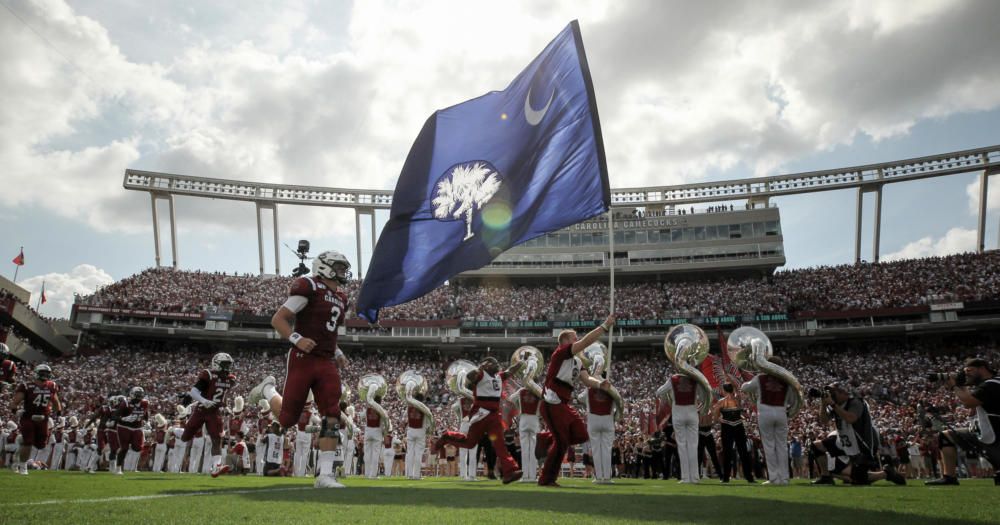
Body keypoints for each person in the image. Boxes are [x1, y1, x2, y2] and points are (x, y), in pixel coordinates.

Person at [248, 250, 351, 489]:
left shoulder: (342, 297)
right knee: (287, 418)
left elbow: (328, 331)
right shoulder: (309, 286)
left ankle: (325, 475)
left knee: (332, 414)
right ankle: (268, 391)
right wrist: (296, 338)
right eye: (338, 267)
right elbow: (279, 319)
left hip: (325, 360)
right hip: (303, 357)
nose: (343, 272)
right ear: (324, 267)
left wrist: (337, 353)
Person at [537, 314, 616, 487]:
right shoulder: (561, 353)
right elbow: (586, 342)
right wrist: (604, 326)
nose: (577, 340)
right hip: (552, 400)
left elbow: (587, 380)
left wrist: (600, 383)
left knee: (581, 433)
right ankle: (546, 479)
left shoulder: (578, 361)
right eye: (574, 338)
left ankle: (545, 438)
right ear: (565, 341)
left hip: (563, 403)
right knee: (561, 443)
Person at [435, 357, 524, 484]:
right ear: (487, 365)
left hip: (494, 415)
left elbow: (511, 371)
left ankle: (509, 472)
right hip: (481, 413)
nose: (497, 365)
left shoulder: (498, 376)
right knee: (470, 443)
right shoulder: (481, 374)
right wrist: (480, 367)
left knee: (500, 444)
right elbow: (469, 377)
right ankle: (447, 436)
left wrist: (522, 361)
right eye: (493, 363)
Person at [810, 382, 905, 486]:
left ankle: (886, 474)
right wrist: (823, 404)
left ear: (844, 393)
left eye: (833, 392)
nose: (830, 394)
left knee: (858, 480)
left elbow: (851, 418)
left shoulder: (856, 402)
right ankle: (825, 477)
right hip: (844, 440)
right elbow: (823, 420)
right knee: (817, 446)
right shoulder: (837, 404)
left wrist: (833, 404)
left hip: (862, 443)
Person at [926, 358, 1000, 485]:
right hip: (986, 431)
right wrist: (961, 385)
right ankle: (949, 477)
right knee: (946, 436)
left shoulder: (991, 384)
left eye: (969, 371)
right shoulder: (992, 382)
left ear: (982, 368)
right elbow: (970, 399)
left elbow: (968, 402)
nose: (966, 374)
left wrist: (954, 385)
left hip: (994, 434)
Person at [178, 352, 236, 478]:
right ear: (217, 364)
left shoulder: (230, 378)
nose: (227, 367)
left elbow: (222, 395)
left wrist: (226, 407)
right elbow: (193, 391)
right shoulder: (209, 374)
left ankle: (216, 466)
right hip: (201, 410)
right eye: (225, 364)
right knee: (186, 436)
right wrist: (204, 401)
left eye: (228, 365)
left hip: (214, 412)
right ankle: (179, 434)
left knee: (217, 439)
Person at [740, 357, 796, 485]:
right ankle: (784, 478)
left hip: (765, 412)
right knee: (782, 446)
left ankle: (774, 478)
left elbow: (745, 388)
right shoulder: (788, 380)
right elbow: (793, 401)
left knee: (769, 446)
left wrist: (745, 381)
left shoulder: (760, 378)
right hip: (781, 412)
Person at [10, 364, 61, 475]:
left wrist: (59, 413)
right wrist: (16, 411)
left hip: (43, 418)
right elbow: (15, 402)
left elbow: (56, 401)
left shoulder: (51, 385)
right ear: (37, 373)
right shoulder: (27, 386)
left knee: (41, 445)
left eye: (47, 373)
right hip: (29, 417)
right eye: (43, 373)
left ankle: (18, 454)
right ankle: (23, 467)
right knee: (28, 442)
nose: (45, 375)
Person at [656, 371, 705, 484]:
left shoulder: (673, 379)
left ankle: (685, 477)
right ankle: (695, 477)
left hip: (678, 413)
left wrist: (669, 397)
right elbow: (703, 397)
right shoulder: (695, 378)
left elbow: (658, 392)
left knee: (682, 446)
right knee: (693, 445)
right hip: (692, 413)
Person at [713, 384, 755, 483]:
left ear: (724, 390)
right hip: (738, 426)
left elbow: (715, 416)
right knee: (743, 452)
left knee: (727, 452)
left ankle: (726, 478)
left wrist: (720, 420)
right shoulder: (737, 399)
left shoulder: (721, 401)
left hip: (727, 426)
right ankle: (749, 477)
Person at [511, 380, 541, 482]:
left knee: (524, 449)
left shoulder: (521, 391)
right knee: (533, 450)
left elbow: (511, 399)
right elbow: (545, 397)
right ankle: (533, 476)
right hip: (534, 419)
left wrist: (518, 406)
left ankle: (524, 476)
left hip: (523, 418)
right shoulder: (537, 390)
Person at [115, 386, 149, 474]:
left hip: (137, 427)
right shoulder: (125, 403)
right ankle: (118, 468)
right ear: (132, 394)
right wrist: (124, 419)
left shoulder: (145, 403)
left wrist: (146, 421)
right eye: (137, 395)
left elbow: (145, 413)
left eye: (140, 396)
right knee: (124, 448)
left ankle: (129, 445)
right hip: (124, 427)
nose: (138, 398)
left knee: (138, 448)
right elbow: (115, 416)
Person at [404, 392, 433, 480]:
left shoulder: (409, 407)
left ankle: (409, 474)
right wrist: (428, 430)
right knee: (418, 454)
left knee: (410, 453)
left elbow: (404, 418)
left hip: (410, 430)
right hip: (420, 431)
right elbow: (429, 421)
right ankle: (416, 475)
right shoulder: (424, 408)